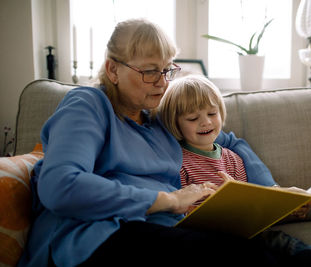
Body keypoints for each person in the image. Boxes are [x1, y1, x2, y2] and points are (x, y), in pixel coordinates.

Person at [18, 18, 282, 267]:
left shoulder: (159, 116)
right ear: (113, 69)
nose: (162, 82)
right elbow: (61, 185)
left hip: (160, 226)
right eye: (149, 71)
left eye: (166, 70)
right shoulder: (89, 105)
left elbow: (230, 141)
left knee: (262, 250)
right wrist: (166, 200)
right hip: (96, 234)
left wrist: (274, 191)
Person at [158, 74, 311, 266]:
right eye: (193, 118)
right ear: (175, 123)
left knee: (282, 242)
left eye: (211, 113)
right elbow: (179, 209)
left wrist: (285, 206)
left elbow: (251, 202)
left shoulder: (232, 158)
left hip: (244, 231)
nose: (206, 122)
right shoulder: (180, 163)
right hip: (207, 237)